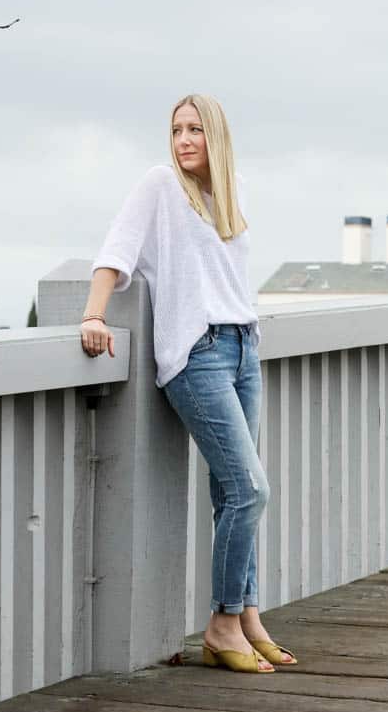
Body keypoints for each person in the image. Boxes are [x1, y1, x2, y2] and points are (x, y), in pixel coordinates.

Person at [80, 93, 297, 673]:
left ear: (216, 136)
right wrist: (93, 315)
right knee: (252, 488)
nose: (183, 140)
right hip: (196, 354)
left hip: (244, 346)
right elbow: (116, 252)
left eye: (195, 129)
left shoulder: (230, 190)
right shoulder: (159, 185)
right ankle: (222, 624)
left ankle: (248, 615)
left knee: (232, 492)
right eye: (176, 129)